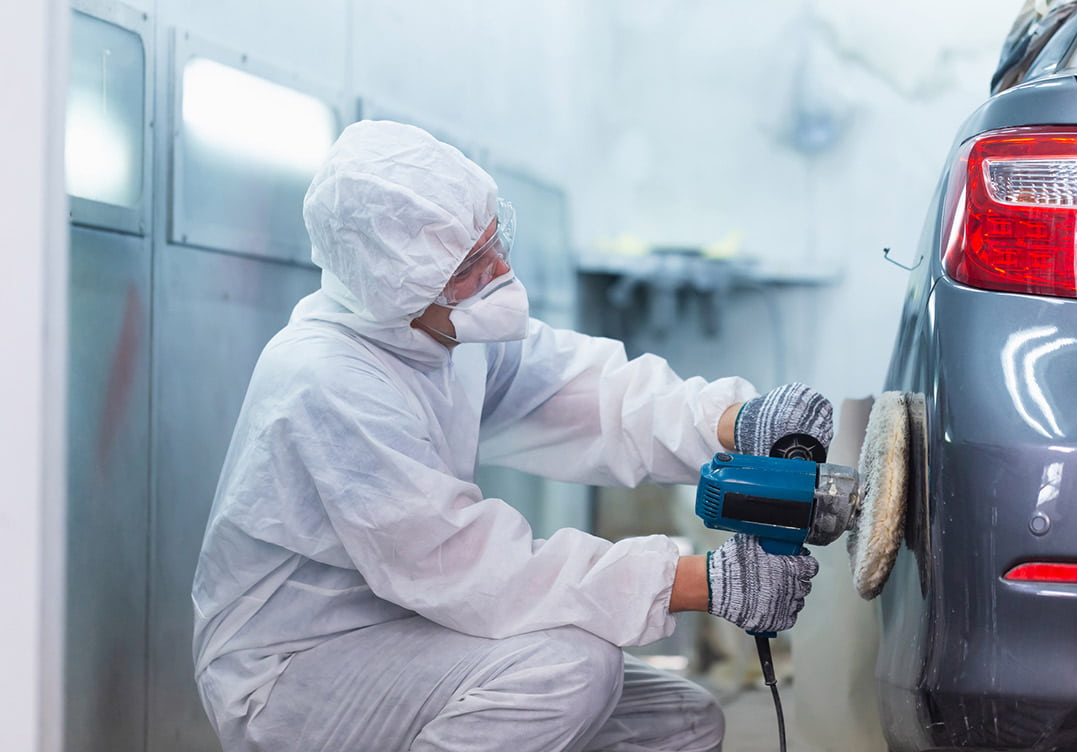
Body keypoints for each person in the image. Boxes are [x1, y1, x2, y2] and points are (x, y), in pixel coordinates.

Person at [192, 120, 834, 752]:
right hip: (298, 667)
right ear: (395, 279)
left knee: (683, 721)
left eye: (495, 238)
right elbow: (462, 566)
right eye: (473, 262)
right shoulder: (328, 377)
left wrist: (737, 421)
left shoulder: (435, 334)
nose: (500, 268)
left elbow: (584, 394)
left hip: (408, 630)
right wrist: (703, 582)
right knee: (571, 668)